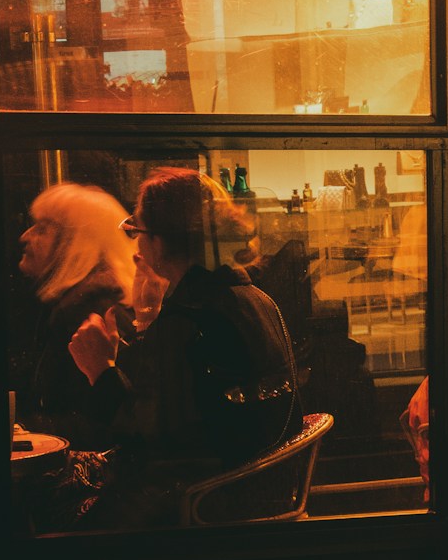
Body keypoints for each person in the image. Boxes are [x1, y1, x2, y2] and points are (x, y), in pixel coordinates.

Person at [66, 168, 300, 527]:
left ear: (159, 241)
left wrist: (100, 370)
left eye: (137, 230)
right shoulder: (255, 299)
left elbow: (147, 443)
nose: (135, 244)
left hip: (197, 512)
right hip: (254, 493)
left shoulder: (189, 319)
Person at [14, 183, 135, 445]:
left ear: (75, 244)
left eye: (43, 228)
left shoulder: (86, 313)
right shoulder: (76, 305)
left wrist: (24, 430)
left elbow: (96, 423)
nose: (25, 236)